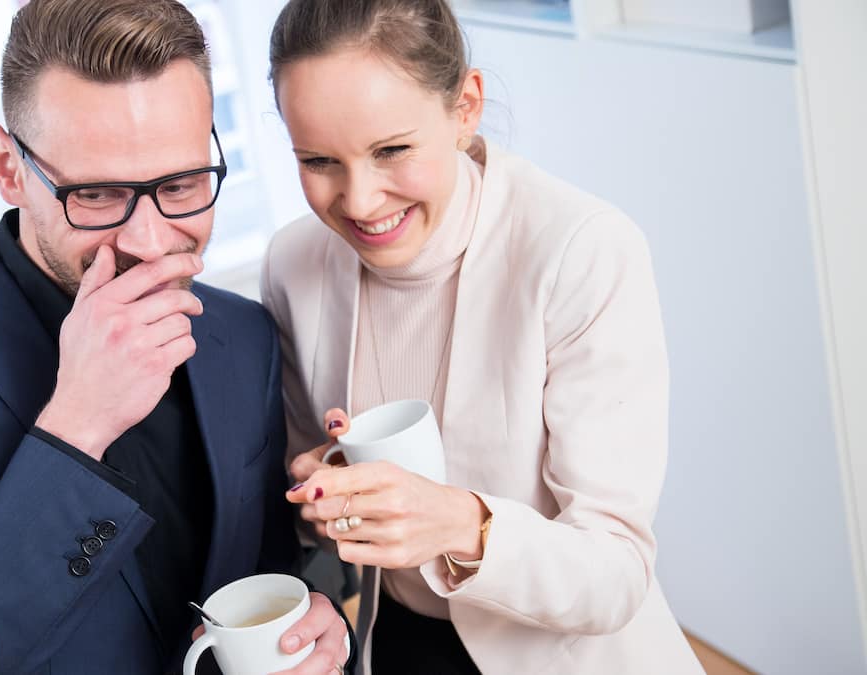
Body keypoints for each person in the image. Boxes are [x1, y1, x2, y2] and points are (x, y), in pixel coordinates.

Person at [0, 1, 351, 673]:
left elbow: (269, 577)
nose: (148, 241)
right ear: (8, 165)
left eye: (182, 182)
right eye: (99, 194)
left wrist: (318, 617)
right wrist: (78, 427)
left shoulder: (244, 335)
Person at [261, 1, 704, 673]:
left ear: (465, 105)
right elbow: (310, 508)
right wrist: (325, 494)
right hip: (401, 642)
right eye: (319, 159)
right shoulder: (294, 265)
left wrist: (460, 523)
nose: (358, 201)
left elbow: (616, 573)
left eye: (391, 150)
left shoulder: (580, 251)